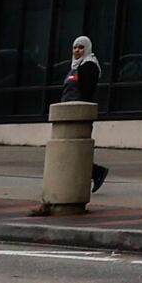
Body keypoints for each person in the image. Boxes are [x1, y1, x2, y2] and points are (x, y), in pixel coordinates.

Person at [59, 34, 109, 193]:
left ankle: (96, 172)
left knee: (74, 149)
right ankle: (93, 172)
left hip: (78, 114)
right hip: (67, 112)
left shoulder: (89, 66)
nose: (77, 50)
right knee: (68, 149)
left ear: (87, 49)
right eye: (75, 47)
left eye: (81, 47)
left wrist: (81, 112)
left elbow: (87, 92)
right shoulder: (74, 66)